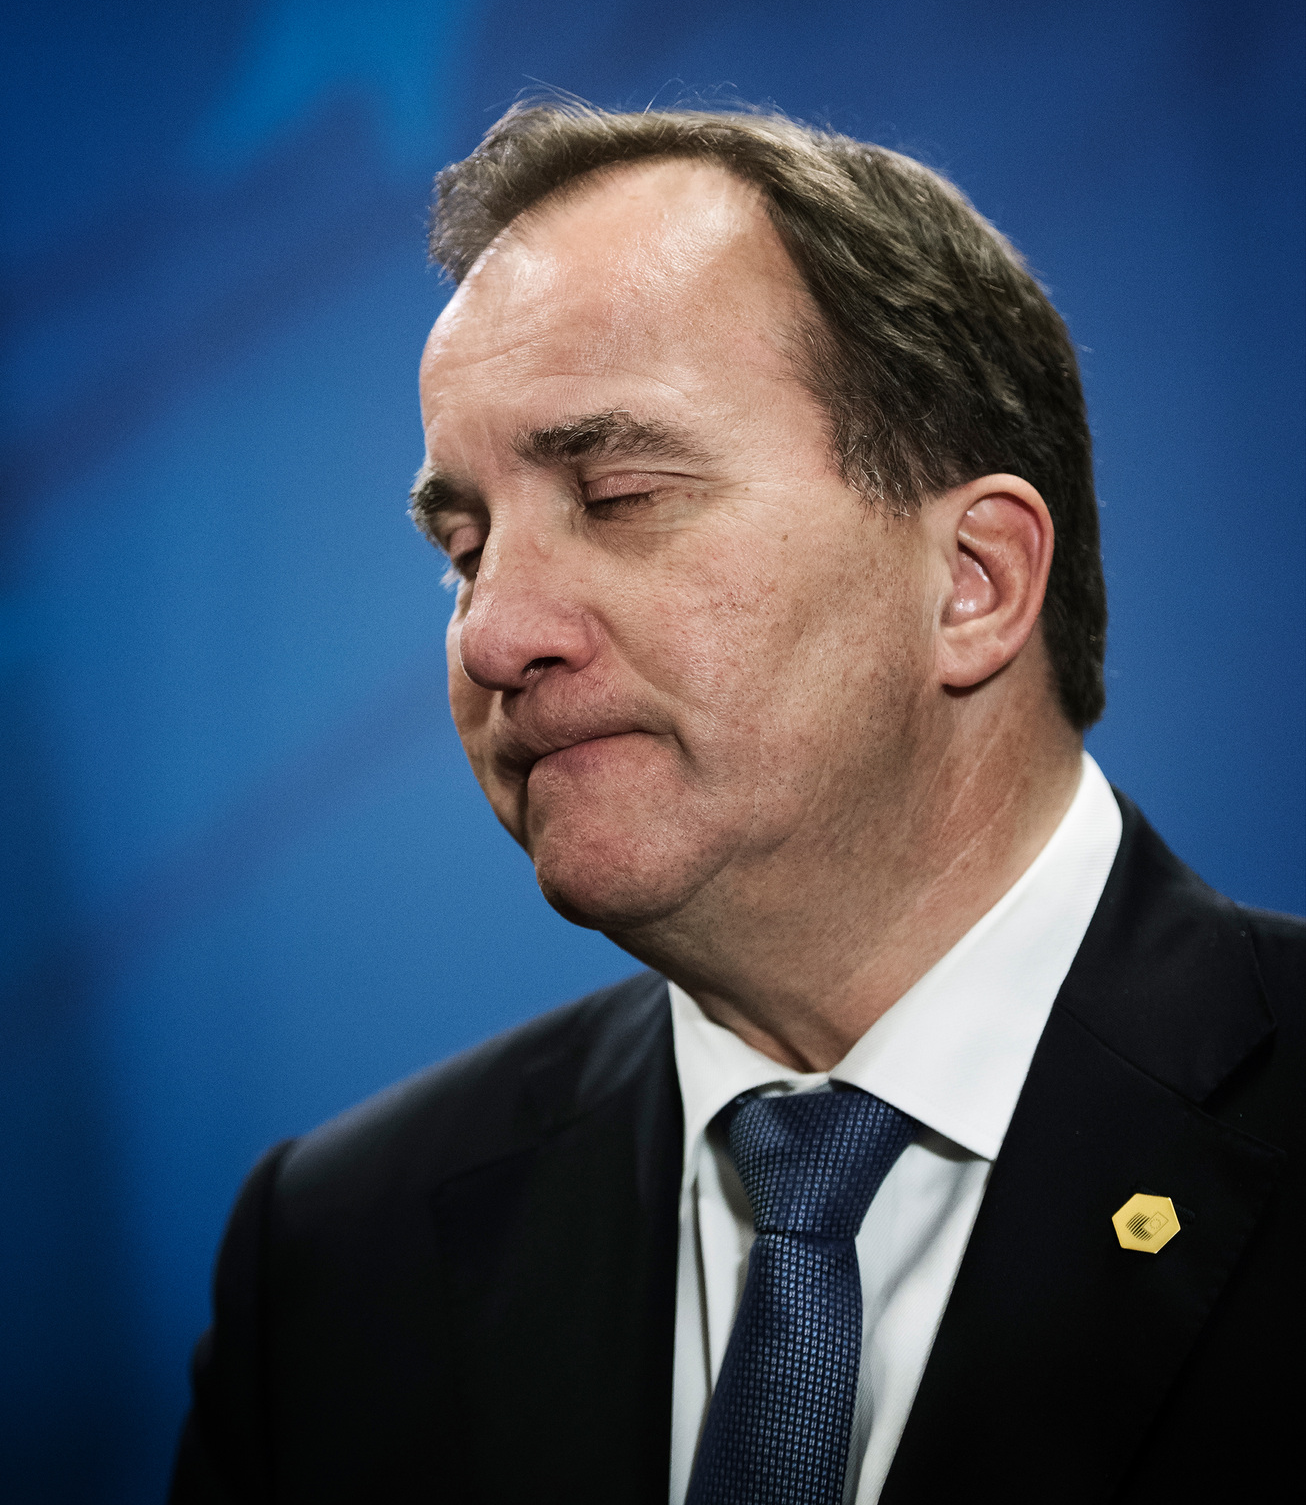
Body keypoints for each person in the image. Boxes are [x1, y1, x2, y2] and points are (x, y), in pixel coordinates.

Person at [170, 103, 1303, 1505]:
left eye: (620, 493)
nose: (491, 632)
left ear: (973, 584)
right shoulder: (340, 1253)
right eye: (464, 547)